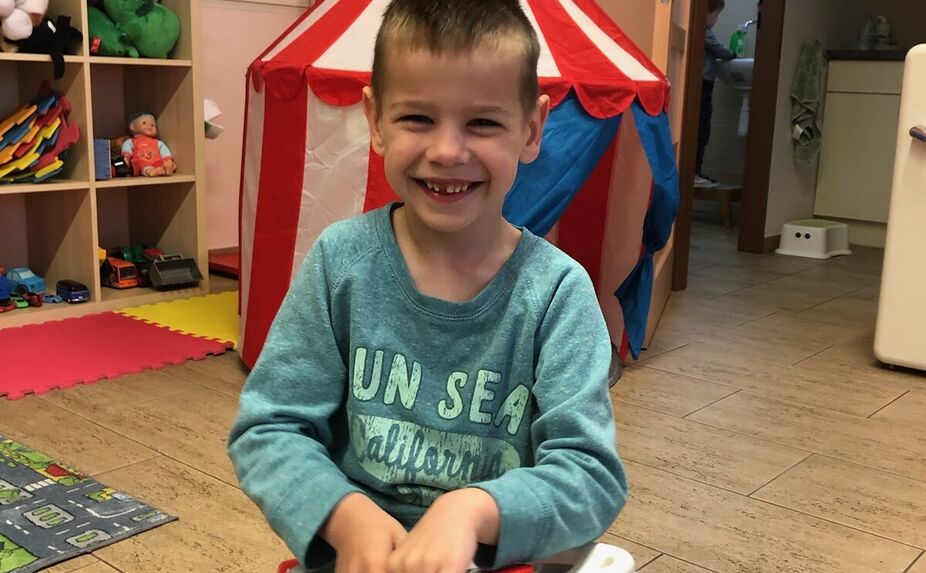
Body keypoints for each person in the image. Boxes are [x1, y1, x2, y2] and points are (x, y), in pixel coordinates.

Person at [227, 1, 627, 572]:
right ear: (375, 120)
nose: (446, 152)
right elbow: (269, 429)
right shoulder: (340, 263)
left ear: (532, 129)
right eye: (417, 118)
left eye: (483, 123)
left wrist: (472, 511)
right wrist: (345, 515)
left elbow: (591, 476)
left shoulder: (557, 293)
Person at [696, 0, 737, 189]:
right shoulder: (703, 32)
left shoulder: (703, 32)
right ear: (705, 13)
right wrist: (734, 54)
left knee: (703, 128)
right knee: (702, 128)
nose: (716, 20)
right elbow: (721, 50)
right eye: (715, 15)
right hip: (703, 85)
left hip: (705, 85)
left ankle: (696, 171)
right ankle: (694, 172)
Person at [121, 112, 176, 177]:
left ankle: (165, 169)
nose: (149, 127)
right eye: (144, 123)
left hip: (156, 162)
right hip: (141, 162)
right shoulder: (132, 141)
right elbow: (126, 146)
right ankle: (151, 172)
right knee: (144, 167)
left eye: (152, 125)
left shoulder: (157, 142)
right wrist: (127, 156)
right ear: (132, 126)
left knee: (165, 164)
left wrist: (168, 159)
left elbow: (164, 150)